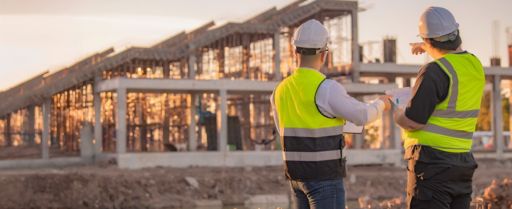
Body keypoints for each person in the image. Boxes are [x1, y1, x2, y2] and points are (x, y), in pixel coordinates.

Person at [270, 19, 391, 209]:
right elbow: (362, 115)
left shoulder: (279, 90)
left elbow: (286, 130)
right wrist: (382, 103)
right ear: (324, 54)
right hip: (324, 178)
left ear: (295, 52)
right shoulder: (327, 88)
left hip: (296, 178)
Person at [394, 7, 485, 209]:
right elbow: (453, 56)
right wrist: (427, 46)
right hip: (462, 162)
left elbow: (413, 121)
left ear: (428, 40)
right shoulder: (475, 65)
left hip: (432, 164)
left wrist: (397, 114)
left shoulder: (434, 72)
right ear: (457, 33)